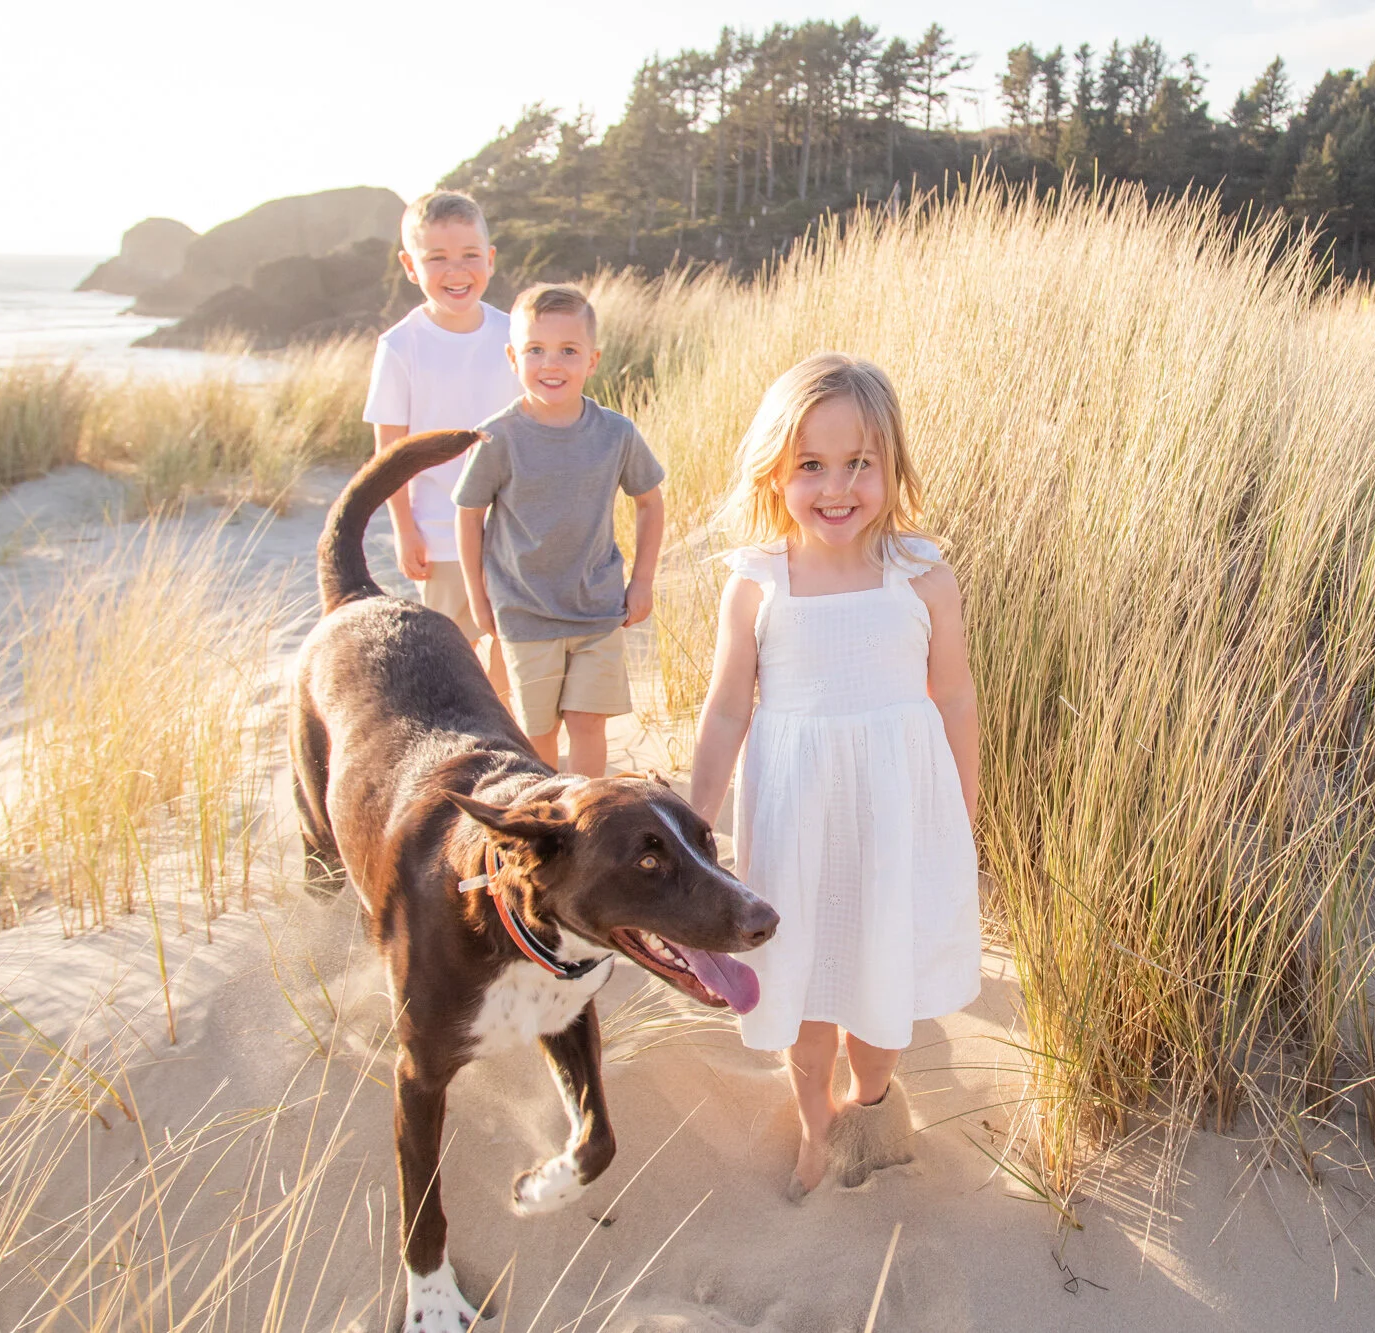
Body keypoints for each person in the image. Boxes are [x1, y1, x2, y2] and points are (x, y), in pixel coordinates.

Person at [687, 352, 982, 1199]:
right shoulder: (759, 584)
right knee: (805, 993)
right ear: (776, 472)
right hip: (795, 822)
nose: (838, 487)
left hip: (896, 818)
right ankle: (816, 1127)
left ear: (892, 465)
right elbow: (726, 712)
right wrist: (695, 826)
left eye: (861, 463)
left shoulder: (922, 577)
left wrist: (959, 816)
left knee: (880, 987)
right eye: (810, 466)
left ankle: (872, 1101)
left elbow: (954, 697)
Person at [452, 284, 665, 776]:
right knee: (537, 730)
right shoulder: (499, 436)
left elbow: (649, 501)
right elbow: (468, 512)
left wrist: (644, 580)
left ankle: (587, 823)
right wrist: (478, 595)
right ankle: (548, 823)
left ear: (592, 360)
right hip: (525, 611)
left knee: (588, 722)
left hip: (596, 608)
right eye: (535, 350)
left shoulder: (616, 433)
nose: (552, 364)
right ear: (512, 357)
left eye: (568, 351)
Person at [362, 188, 517, 695]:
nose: (457, 271)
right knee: (451, 651)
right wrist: (404, 530)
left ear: (490, 260)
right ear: (411, 266)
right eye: (438, 259)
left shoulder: (515, 335)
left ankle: (511, 741)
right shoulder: (401, 346)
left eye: (470, 255)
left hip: (513, 528)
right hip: (439, 529)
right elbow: (390, 454)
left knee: (508, 646)